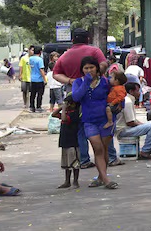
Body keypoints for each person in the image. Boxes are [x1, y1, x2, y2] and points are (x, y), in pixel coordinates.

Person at [51, 28, 118, 168]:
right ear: (88, 39)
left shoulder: (65, 56)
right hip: (95, 92)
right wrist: (96, 76)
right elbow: (104, 64)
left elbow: (55, 74)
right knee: (104, 124)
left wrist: (70, 80)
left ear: (73, 40)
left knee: (81, 128)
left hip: (74, 95)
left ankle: (84, 159)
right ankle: (110, 157)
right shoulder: (94, 51)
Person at [72, 56, 118, 189]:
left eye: (91, 67)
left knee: (104, 150)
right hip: (89, 121)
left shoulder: (105, 82)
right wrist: (86, 82)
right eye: (86, 68)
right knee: (97, 148)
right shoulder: (78, 82)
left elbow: (115, 94)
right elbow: (76, 97)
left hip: (106, 120)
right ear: (82, 69)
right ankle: (107, 180)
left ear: (97, 68)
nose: (89, 70)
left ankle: (101, 177)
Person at [117, 82, 151, 159]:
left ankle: (148, 149)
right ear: (131, 91)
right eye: (137, 91)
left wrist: (143, 125)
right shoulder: (128, 102)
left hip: (124, 129)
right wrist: (143, 126)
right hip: (124, 130)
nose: (139, 93)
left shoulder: (128, 100)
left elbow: (133, 120)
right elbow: (130, 122)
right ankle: (145, 151)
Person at [51, 94, 80, 189]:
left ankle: (75, 181)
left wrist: (63, 109)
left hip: (73, 141)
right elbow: (53, 114)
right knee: (66, 163)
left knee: (75, 163)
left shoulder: (74, 113)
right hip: (65, 141)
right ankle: (67, 181)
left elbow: (63, 118)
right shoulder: (66, 112)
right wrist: (60, 108)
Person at [29, 46, 47, 113]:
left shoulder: (30, 58)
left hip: (33, 78)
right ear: (40, 52)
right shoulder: (40, 59)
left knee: (33, 94)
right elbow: (41, 70)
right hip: (39, 79)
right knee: (39, 94)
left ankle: (32, 107)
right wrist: (44, 79)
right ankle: (38, 107)